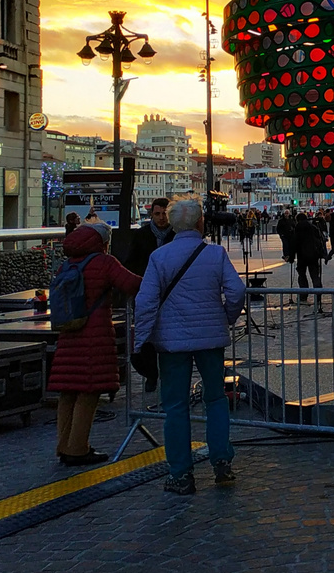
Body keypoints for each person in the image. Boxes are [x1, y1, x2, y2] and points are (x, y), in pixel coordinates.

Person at [134, 195, 245, 496]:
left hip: (171, 343)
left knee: (175, 406)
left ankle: (181, 474)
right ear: (200, 222)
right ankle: (221, 460)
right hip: (210, 338)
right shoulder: (216, 254)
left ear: (171, 223)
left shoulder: (159, 258)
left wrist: (140, 340)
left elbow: (145, 302)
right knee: (216, 399)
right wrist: (226, 318)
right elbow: (236, 291)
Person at [47, 224, 142, 466]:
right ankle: (78, 449)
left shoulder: (66, 265)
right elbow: (131, 284)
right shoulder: (104, 262)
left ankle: (63, 446)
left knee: (68, 392)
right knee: (88, 393)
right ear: (101, 242)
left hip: (68, 335)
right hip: (94, 335)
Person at [290, 212, 327, 306]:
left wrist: (291, 257)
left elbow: (295, 243)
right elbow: (321, 240)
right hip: (314, 255)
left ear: (298, 220)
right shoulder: (313, 227)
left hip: (302, 256)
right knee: (315, 275)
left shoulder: (298, 227)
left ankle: (303, 295)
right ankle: (318, 296)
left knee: (302, 275)